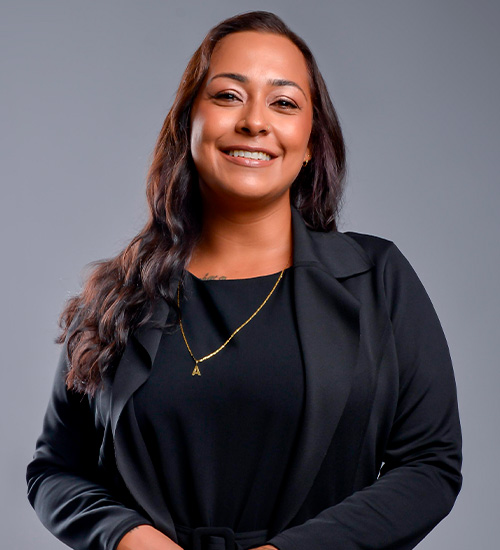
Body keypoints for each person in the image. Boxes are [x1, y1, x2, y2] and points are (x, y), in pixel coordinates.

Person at [26, 10, 462, 550]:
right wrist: (127, 538)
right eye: (228, 95)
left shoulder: (377, 279)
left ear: (310, 142)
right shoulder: (119, 294)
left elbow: (429, 465)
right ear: (188, 124)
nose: (255, 121)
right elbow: (54, 470)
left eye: (284, 103)